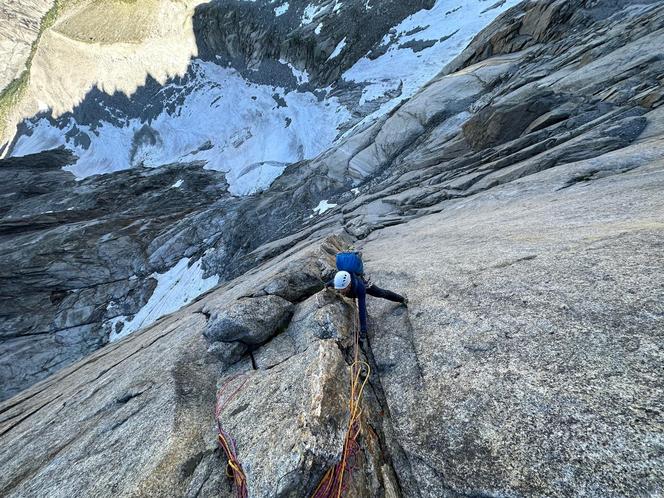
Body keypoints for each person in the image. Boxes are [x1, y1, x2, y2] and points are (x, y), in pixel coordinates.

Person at [326, 270, 407, 338]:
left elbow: (362, 309)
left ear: (349, 284)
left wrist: (363, 330)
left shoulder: (360, 288)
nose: (341, 292)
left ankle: (402, 299)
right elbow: (331, 282)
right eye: (339, 289)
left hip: (363, 285)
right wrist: (326, 285)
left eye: (342, 289)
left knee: (381, 293)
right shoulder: (339, 282)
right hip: (352, 288)